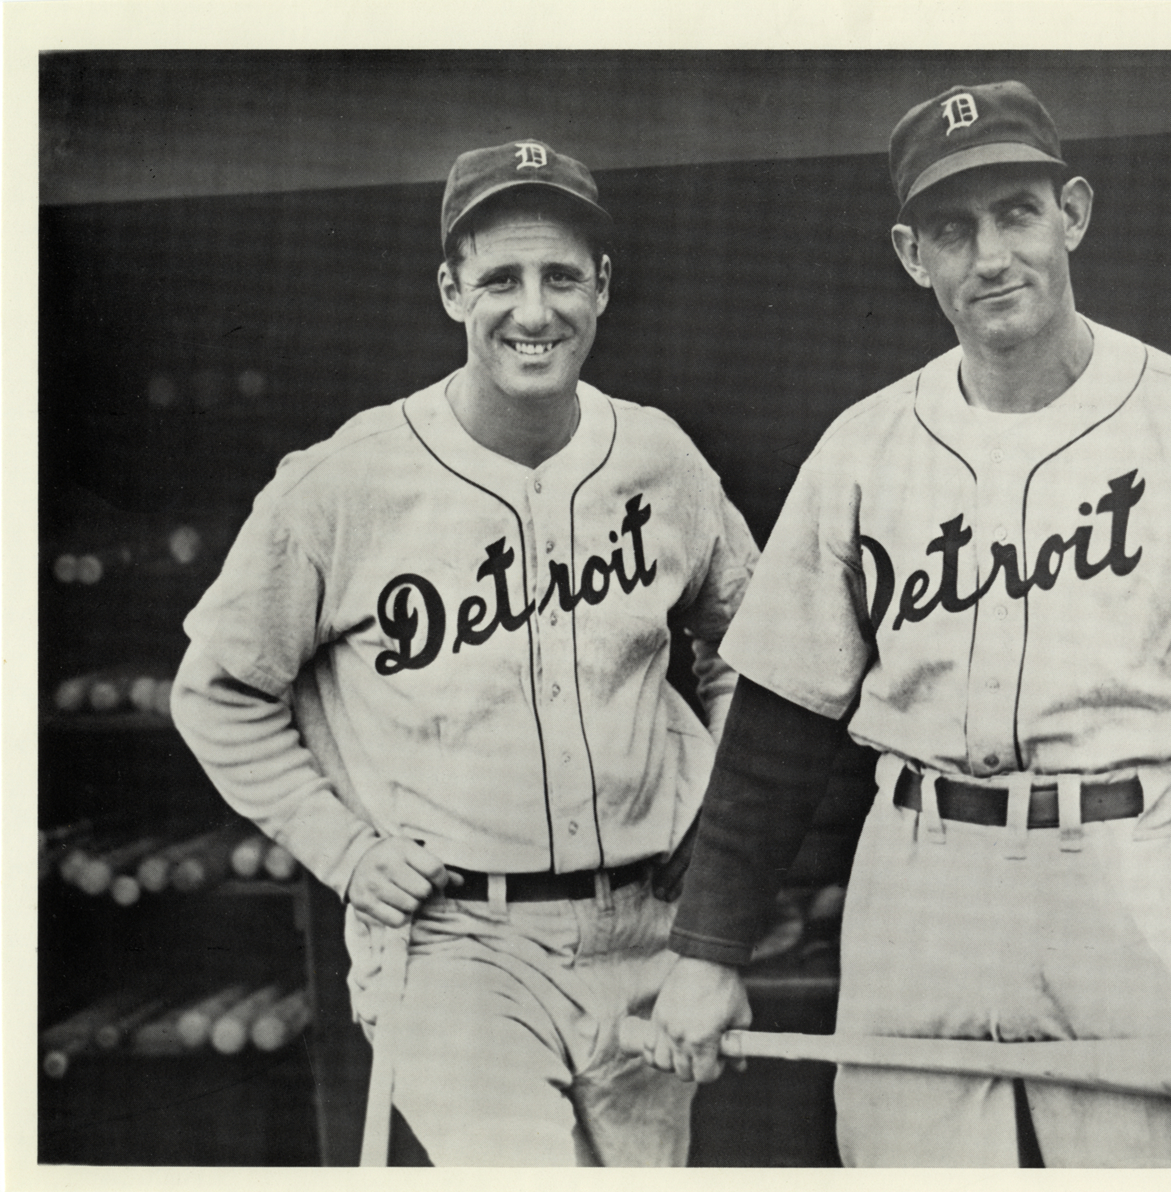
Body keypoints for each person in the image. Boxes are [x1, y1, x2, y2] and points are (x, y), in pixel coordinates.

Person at [642, 82, 1171, 1167]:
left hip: (1147, 858)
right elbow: (779, 729)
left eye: (1014, 212)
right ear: (908, 252)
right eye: (949, 229)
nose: (988, 256)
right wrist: (707, 944)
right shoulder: (863, 448)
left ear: (1070, 213)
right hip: (924, 875)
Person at [171, 139, 758, 1165]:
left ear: (601, 288)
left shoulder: (660, 457)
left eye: (560, 276)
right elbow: (218, 689)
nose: (533, 311)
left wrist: (715, 813)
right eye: (499, 279)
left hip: (645, 930)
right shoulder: (344, 482)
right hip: (456, 943)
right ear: (451, 290)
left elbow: (747, 653)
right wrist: (345, 850)